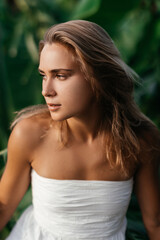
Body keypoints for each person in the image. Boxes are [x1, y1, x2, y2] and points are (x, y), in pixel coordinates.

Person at [0, 20, 160, 240]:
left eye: (61, 75)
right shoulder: (29, 134)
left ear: (98, 76)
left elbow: (155, 223)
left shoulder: (141, 140)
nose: (46, 90)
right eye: (43, 75)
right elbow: (3, 208)